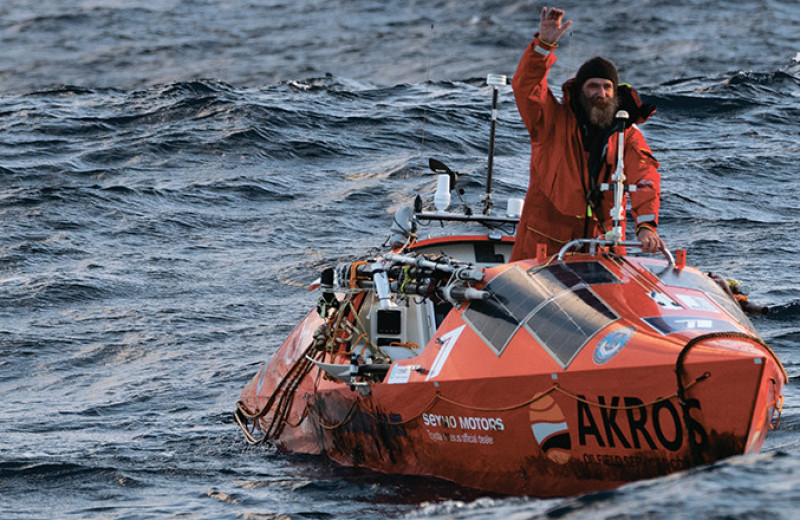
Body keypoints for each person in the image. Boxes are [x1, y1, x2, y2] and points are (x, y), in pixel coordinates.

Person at [509, 6, 664, 261]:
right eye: (593, 86)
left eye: (607, 87)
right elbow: (526, 86)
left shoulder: (627, 136)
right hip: (543, 249)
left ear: (615, 93)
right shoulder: (550, 122)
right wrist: (544, 45)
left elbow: (646, 177)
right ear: (581, 91)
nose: (600, 94)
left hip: (603, 249)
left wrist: (646, 226)